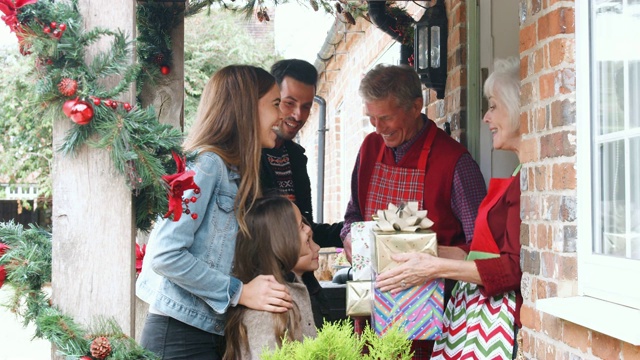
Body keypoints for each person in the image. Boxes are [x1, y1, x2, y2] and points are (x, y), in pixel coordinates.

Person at [136, 65, 292, 360]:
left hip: (202, 333)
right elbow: (165, 255)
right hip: (179, 338)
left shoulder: (232, 172)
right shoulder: (207, 164)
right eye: (275, 104)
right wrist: (240, 292)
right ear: (246, 107)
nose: (282, 115)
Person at [376, 57, 523, 359]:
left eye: (494, 106)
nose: (485, 117)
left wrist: (434, 266)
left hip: (489, 315)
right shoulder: (519, 173)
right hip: (459, 309)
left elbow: (513, 268)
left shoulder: (517, 179)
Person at [340, 64, 487, 358]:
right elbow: (352, 216)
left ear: (417, 107)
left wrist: (427, 252)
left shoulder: (455, 162)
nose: (378, 128)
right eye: (371, 118)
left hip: (431, 318)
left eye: (385, 118)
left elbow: (481, 252)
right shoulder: (369, 148)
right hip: (369, 308)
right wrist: (350, 239)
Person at [261, 58, 344, 327]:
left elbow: (304, 228)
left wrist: (349, 232)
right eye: (289, 103)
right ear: (271, 99)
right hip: (263, 291)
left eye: (307, 106)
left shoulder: (295, 156)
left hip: (299, 286)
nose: (298, 114)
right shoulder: (244, 157)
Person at [224, 195, 320, 360]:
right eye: (300, 226)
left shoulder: (291, 288)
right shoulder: (266, 307)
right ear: (280, 241)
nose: (309, 230)